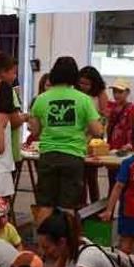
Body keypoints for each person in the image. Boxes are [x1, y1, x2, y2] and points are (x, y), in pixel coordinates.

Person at [29, 57, 102, 211]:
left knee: (45, 205)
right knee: (68, 207)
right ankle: (66, 235)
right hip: (73, 156)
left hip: (48, 155)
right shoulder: (84, 99)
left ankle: (43, 235)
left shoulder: (41, 99)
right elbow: (97, 131)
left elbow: (34, 131)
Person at [100, 124, 134, 267]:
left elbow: (118, 187)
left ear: (133, 143)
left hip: (129, 208)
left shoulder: (129, 163)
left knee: (126, 242)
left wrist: (109, 210)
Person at [77, 65, 110, 203]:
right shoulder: (77, 94)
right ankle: (82, 205)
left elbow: (105, 116)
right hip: (80, 137)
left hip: (94, 138)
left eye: (87, 84)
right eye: (81, 83)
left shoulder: (100, 94)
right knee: (80, 178)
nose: (83, 86)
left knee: (92, 175)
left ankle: (96, 206)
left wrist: (97, 127)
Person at [106, 78, 134, 151]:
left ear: (128, 92)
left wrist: (131, 144)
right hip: (112, 147)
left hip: (127, 148)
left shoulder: (133, 108)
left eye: (120, 92)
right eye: (114, 92)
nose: (116, 95)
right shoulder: (111, 107)